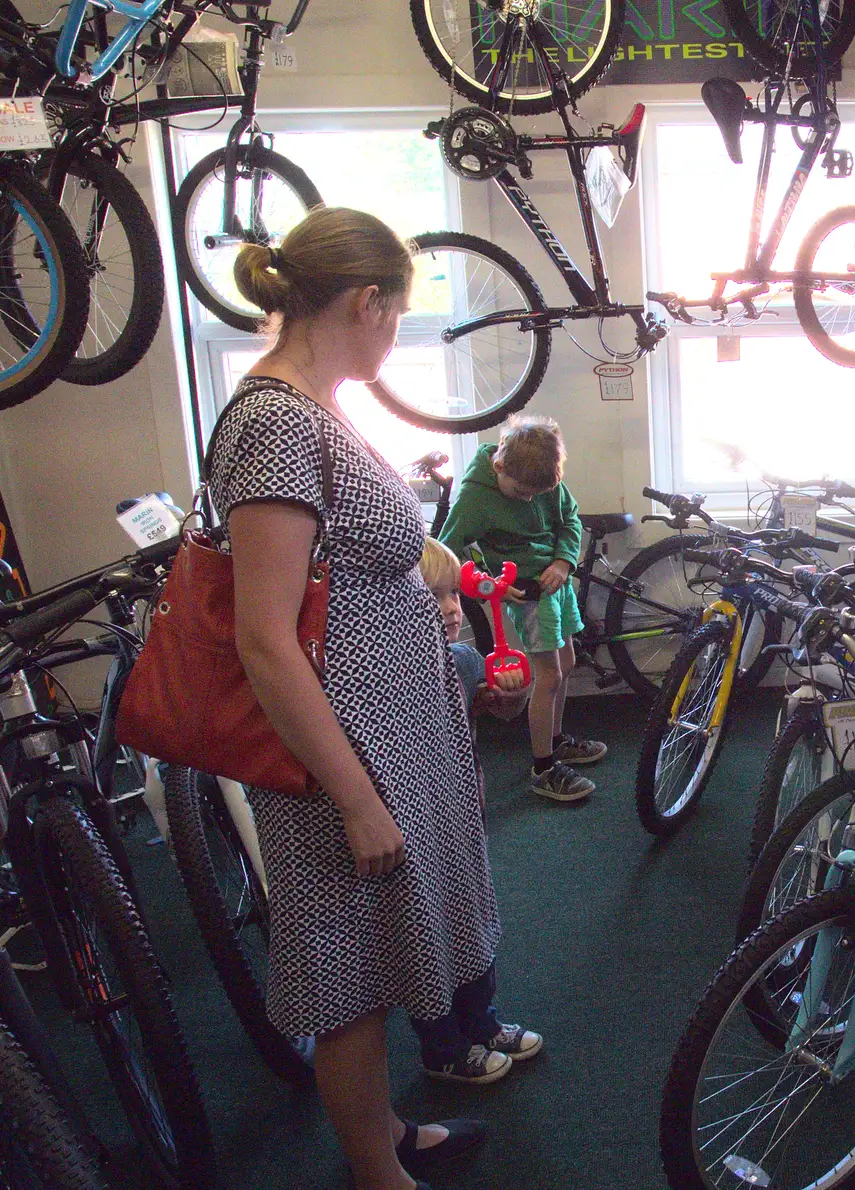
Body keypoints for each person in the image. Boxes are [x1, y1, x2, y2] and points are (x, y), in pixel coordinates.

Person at [215, 207, 498, 1190]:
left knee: (383, 956)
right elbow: (264, 635)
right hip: (342, 752)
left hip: (387, 731)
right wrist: (353, 794)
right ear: (368, 302)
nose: (397, 333)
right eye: (399, 313)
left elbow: (346, 553)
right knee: (353, 981)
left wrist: (426, 583)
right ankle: (379, 1174)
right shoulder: (272, 424)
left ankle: (384, 1129)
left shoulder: (318, 407)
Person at [406, 538, 540, 1085]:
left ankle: (480, 1022)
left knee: (472, 916)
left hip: (463, 809)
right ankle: (441, 1048)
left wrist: (512, 693)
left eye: (453, 596)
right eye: (432, 598)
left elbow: (502, 714)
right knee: (427, 928)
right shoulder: (387, 677)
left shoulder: (461, 659)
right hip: (416, 818)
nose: (450, 609)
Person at [439, 417, 606, 803]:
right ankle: (543, 767)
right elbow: (448, 554)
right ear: (499, 466)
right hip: (527, 595)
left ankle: (557, 741)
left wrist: (564, 561)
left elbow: (570, 521)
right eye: (521, 491)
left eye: (538, 492)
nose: (530, 498)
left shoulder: (541, 478)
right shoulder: (474, 498)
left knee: (566, 663)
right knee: (547, 675)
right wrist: (487, 584)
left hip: (556, 586)